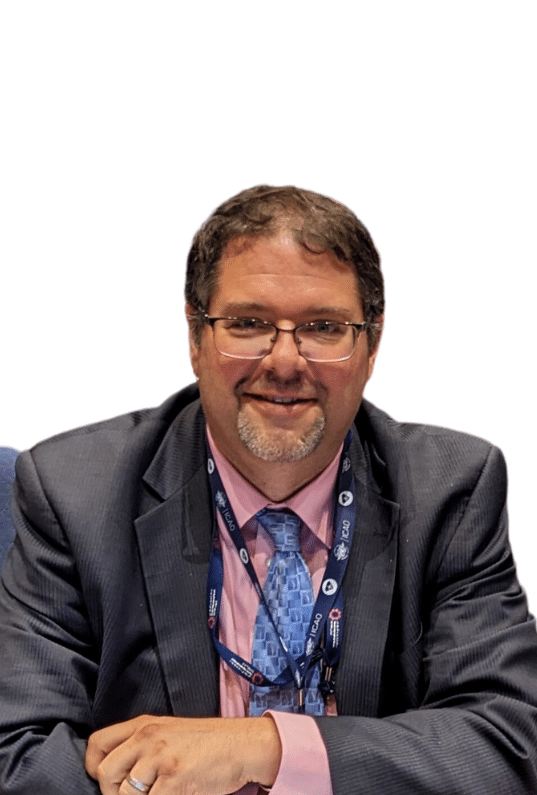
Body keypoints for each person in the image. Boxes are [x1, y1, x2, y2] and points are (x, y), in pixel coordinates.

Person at [1, 185, 536, 795]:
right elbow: (16, 756)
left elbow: (508, 743)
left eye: (324, 327)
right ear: (196, 337)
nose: (285, 361)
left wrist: (269, 747)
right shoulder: (75, 495)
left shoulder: (450, 493)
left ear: (371, 345)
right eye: (249, 323)